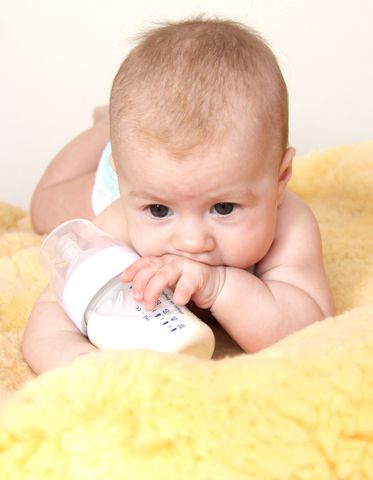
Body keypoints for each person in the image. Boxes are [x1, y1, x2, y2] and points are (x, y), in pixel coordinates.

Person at [23, 18, 335, 374]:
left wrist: (218, 286)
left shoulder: (289, 226)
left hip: (152, 175)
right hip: (130, 176)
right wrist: (80, 364)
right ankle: (105, 131)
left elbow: (311, 327)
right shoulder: (119, 223)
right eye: (159, 210)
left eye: (223, 207)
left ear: (280, 180)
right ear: (126, 185)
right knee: (44, 208)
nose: (190, 242)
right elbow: (50, 316)